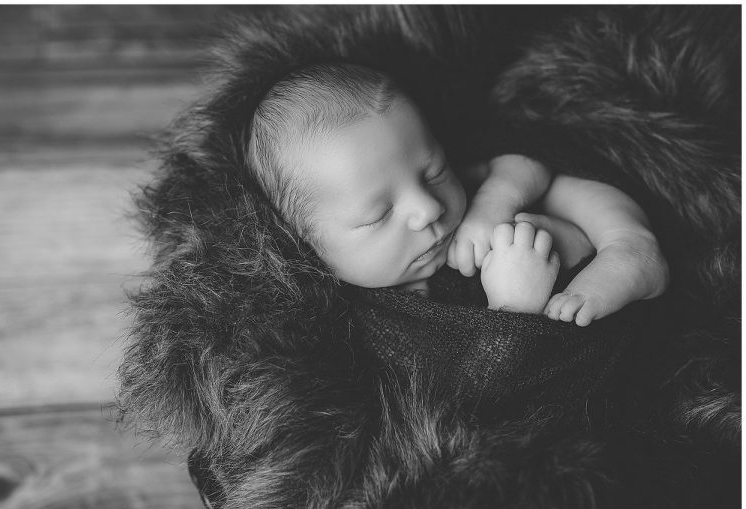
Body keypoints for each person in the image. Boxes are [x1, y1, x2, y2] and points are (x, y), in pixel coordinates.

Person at [246, 62, 668, 326]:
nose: (428, 207)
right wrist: (512, 307)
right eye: (378, 215)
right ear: (305, 245)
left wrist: (494, 205)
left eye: (434, 171)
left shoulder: (466, 196)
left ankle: (629, 245)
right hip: (566, 321)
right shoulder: (366, 326)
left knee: (562, 177)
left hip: (582, 245)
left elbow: (527, 158)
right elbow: (478, 399)